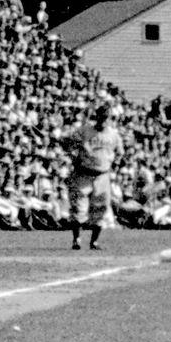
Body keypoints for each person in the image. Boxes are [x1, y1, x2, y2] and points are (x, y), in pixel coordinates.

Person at [64, 99, 123, 250]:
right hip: (83, 173)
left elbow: (120, 154)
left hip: (103, 175)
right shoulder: (85, 131)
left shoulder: (114, 135)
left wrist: (113, 165)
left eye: (106, 117)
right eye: (101, 117)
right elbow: (70, 145)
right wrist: (74, 157)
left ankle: (94, 242)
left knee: (100, 207)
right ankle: (76, 240)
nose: (103, 120)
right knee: (79, 208)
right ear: (96, 117)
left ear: (110, 119)